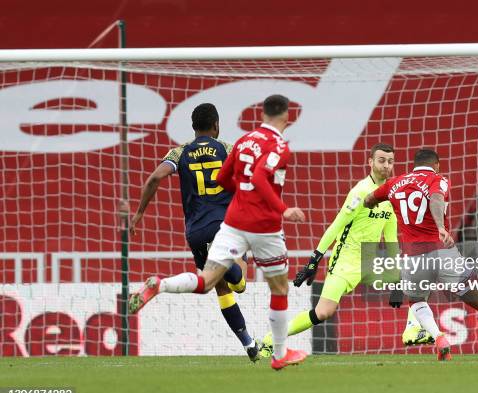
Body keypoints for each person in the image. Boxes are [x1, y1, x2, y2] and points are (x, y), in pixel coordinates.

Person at [260, 143, 433, 358]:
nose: (386, 166)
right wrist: (315, 260)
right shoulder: (360, 192)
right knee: (323, 312)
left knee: (417, 274)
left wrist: (396, 280)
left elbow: (390, 239)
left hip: (369, 262)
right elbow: (336, 226)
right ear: (370, 162)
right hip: (346, 260)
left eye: (390, 161)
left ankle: (412, 329)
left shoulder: (392, 195)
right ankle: (271, 339)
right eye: (381, 160)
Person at [364, 148, 478, 361]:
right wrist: (440, 227)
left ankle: (438, 338)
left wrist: (377, 202)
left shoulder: (394, 182)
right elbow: (435, 199)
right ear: (436, 165)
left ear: (414, 165)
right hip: (442, 253)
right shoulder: (438, 179)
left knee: (416, 301)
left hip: (412, 259)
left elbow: (368, 200)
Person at [128, 103, 259, 362]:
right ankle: (224, 264)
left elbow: (155, 178)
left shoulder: (179, 152)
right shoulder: (228, 148)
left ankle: (249, 345)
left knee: (219, 287)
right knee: (240, 284)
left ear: (193, 127)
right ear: (216, 125)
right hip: (226, 226)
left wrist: (139, 213)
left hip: (196, 232)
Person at [198, 94, 307, 370]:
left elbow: (221, 179)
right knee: (279, 287)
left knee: (210, 282)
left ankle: (161, 284)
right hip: (264, 225)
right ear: (286, 117)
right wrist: (282, 208)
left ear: (262, 114)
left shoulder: (243, 141)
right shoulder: (279, 145)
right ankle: (279, 352)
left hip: (220, 223)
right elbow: (259, 177)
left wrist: (243, 194)